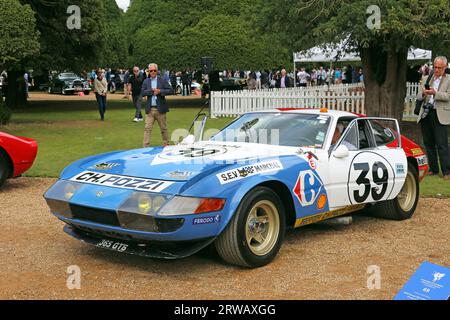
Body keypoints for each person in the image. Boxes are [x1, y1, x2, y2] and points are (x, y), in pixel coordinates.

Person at [417, 56, 450, 180]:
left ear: (445, 67)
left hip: (439, 113)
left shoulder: (449, 79)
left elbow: (448, 96)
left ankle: (447, 171)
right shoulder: (426, 78)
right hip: (426, 113)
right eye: (435, 67)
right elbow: (419, 96)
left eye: (439, 68)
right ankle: (433, 169)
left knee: (442, 144)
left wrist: (435, 93)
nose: (436, 70)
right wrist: (424, 93)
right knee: (428, 143)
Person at [141, 63, 174, 147]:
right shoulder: (146, 81)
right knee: (147, 129)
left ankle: (166, 144)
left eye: (154, 70)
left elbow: (171, 90)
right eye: (151, 71)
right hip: (150, 109)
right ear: (148, 71)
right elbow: (142, 92)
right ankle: (145, 146)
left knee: (163, 128)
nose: (152, 72)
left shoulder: (162, 80)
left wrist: (160, 91)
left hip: (160, 109)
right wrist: (151, 91)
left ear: (157, 71)